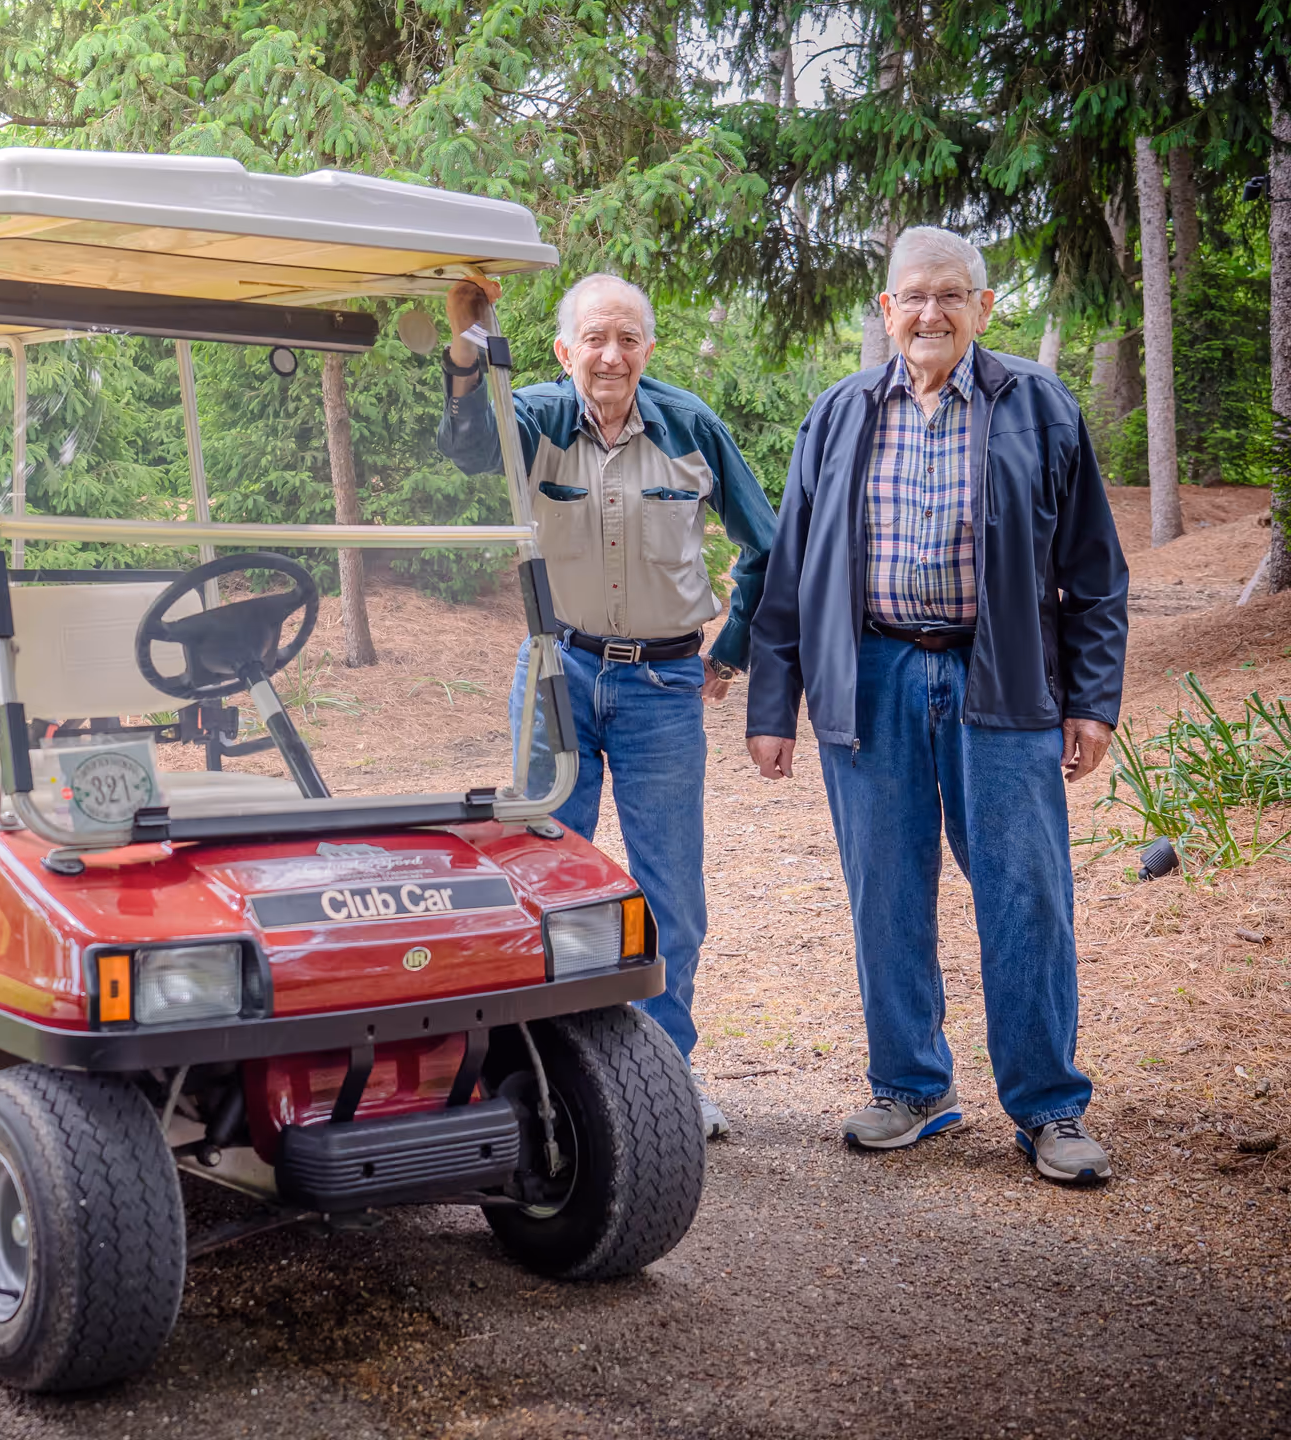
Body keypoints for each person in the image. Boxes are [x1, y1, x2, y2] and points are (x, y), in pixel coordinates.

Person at [744, 226, 1129, 1183]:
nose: (929, 313)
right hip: (870, 679)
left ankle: (1048, 1108)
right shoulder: (837, 415)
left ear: (984, 308)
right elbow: (789, 571)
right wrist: (771, 701)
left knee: (1026, 898)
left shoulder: (1038, 406)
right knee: (887, 893)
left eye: (950, 295)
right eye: (912, 297)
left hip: (1001, 680)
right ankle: (910, 1087)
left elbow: (1094, 572)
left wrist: (1092, 700)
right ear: (886, 311)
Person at [438, 273, 776, 1140]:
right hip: (558, 674)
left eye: (627, 339)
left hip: (665, 687)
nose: (611, 355)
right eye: (594, 339)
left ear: (648, 349)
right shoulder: (541, 414)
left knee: (671, 898)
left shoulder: (691, 426)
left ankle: (666, 1082)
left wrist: (730, 650)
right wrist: (467, 342)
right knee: (542, 881)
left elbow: (769, 546)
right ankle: (549, 1082)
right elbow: (473, 446)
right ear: (565, 350)